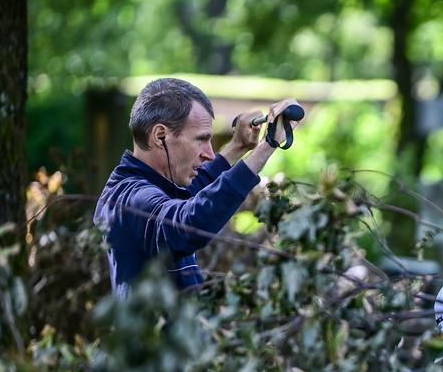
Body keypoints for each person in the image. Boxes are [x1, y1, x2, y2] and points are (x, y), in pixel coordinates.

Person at [95, 77, 302, 296]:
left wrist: (237, 147)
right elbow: (187, 223)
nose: (210, 153)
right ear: (160, 136)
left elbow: (193, 193)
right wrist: (267, 146)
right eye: (201, 140)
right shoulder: (130, 199)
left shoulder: (156, 185)